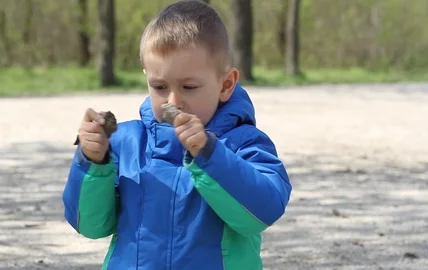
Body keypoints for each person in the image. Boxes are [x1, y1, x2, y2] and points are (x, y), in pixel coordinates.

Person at [62, 0, 292, 269]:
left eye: (189, 86)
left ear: (226, 84)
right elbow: (89, 225)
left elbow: (262, 213)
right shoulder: (125, 142)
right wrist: (93, 163)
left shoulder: (244, 143)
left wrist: (209, 154)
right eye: (159, 86)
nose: (173, 101)